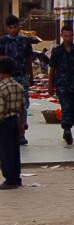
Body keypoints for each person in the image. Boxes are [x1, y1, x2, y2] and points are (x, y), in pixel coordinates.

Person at [0, 15, 34, 145]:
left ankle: (21, 133)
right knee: (7, 104)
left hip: (21, 76)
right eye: (11, 28)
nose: (13, 30)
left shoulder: (25, 41)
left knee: (23, 104)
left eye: (15, 27)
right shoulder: (3, 42)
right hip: (7, 77)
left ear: (19, 26)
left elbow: (28, 59)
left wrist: (31, 76)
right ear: (7, 28)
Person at [0, 56, 25, 188]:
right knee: (15, 150)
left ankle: (9, 179)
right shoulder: (18, 86)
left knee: (5, 151)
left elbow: (1, 110)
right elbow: (23, 107)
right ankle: (16, 177)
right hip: (15, 119)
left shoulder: (1, 88)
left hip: (4, 122)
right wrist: (21, 124)